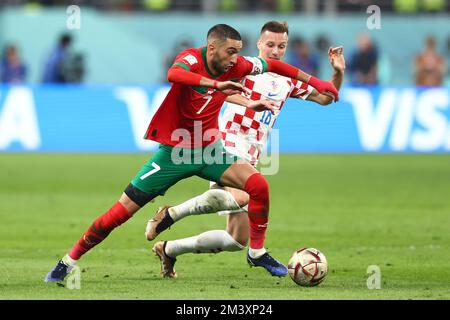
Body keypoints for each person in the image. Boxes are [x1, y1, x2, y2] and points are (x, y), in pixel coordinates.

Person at [45, 23, 338, 282]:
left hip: (210, 148)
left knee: (258, 186)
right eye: (230, 53)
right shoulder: (190, 58)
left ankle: (257, 252)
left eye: (238, 53)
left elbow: (277, 68)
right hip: (175, 152)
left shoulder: (237, 67)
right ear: (212, 48)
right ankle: (68, 261)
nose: (235, 60)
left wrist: (319, 81)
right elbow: (174, 74)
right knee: (119, 213)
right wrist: (215, 85)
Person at [147, 21, 345, 278]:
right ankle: (172, 215)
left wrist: (338, 73)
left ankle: (169, 249)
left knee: (237, 239)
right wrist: (248, 102)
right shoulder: (243, 68)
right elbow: (213, 89)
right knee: (244, 197)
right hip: (227, 140)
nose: (275, 51)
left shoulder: (288, 80)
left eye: (281, 46)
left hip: (253, 152)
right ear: (260, 44)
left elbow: (325, 98)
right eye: (270, 45)